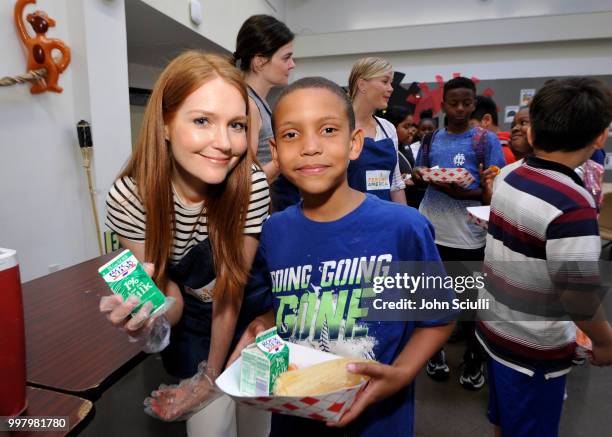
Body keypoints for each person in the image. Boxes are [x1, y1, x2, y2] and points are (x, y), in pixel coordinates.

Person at [227, 77, 455, 436]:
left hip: (378, 421)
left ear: (354, 144)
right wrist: (263, 323)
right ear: (274, 149)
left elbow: (438, 318)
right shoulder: (273, 231)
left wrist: (401, 375)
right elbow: (287, 303)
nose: (310, 147)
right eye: (291, 135)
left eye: (328, 130)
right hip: (294, 418)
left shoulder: (404, 228)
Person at [100, 51, 270, 436]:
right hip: (193, 320)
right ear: (164, 124)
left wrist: (211, 377)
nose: (224, 143)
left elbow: (232, 288)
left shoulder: (251, 185)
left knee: (258, 422)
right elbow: (167, 297)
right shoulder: (130, 198)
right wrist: (145, 321)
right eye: (202, 121)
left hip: (248, 310)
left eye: (237, 125)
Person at [476, 77, 612, 437]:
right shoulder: (573, 204)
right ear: (600, 137)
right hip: (534, 349)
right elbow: (579, 296)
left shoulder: (508, 175)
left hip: (496, 329)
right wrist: (604, 339)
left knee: (505, 420)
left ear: (532, 133)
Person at [413, 77, 505, 390]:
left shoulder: (485, 141)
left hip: (470, 236)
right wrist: (424, 177)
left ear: (474, 103)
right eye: (454, 103)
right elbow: (419, 172)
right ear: (443, 105)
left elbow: (494, 192)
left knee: (471, 304)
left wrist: (463, 192)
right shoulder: (431, 139)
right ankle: (433, 352)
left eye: (467, 103)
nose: (461, 108)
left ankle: (473, 359)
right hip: (432, 230)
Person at [233, 14, 300, 211]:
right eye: (286, 57)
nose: (292, 64)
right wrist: (290, 154)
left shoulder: (259, 102)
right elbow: (244, 180)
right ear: (260, 62)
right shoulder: (249, 105)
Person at [347, 58, 407, 204]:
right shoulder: (339, 127)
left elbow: (395, 184)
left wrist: (405, 219)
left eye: (390, 82)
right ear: (362, 85)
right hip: (349, 218)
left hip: (384, 217)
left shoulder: (387, 128)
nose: (391, 88)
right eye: (385, 81)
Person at [383, 105, 423, 208]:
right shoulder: (385, 150)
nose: (411, 131)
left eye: (411, 126)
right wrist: (399, 180)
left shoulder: (406, 147)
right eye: (406, 127)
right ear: (391, 127)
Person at [469, 95, 514, 165]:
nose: (465, 134)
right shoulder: (508, 145)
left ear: (486, 120)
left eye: (470, 127)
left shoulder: (502, 153)